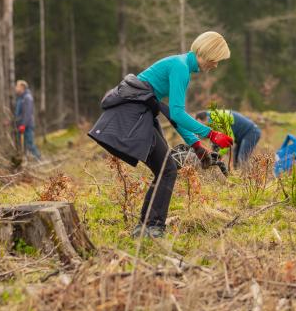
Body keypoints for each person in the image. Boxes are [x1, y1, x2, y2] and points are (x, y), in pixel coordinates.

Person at [88, 31, 234, 239]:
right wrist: (210, 133)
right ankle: (153, 228)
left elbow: (174, 115)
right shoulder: (181, 67)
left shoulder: (181, 64)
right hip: (133, 114)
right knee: (167, 169)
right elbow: (177, 113)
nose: (216, 65)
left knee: (165, 169)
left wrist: (197, 146)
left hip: (141, 113)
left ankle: (145, 228)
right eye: (216, 60)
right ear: (209, 54)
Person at [195, 109, 261, 168]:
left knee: (242, 159)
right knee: (236, 163)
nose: (200, 127)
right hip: (243, 135)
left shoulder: (219, 118)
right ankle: (239, 179)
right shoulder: (212, 119)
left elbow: (229, 139)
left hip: (251, 132)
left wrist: (219, 154)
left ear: (206, 119)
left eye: (200, 124)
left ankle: (250, 178)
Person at [15, 80, 41, 161]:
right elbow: (18, 114)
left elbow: (28, 113)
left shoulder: (27, 98)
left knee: (30, 144)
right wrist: (10, 122)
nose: (15, 88)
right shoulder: (20, 98)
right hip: (21, 126)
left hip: (27, 126)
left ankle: (38, 159)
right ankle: (24, 161)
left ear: (22, 87)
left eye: (17, 86)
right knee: (22, 146)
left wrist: (24, 124)